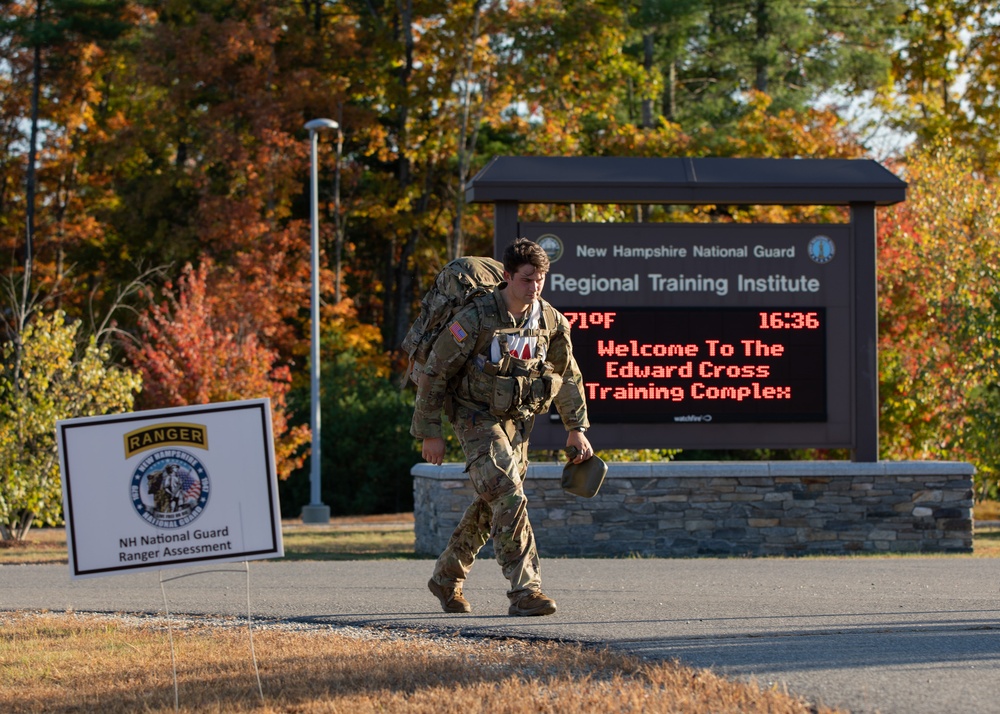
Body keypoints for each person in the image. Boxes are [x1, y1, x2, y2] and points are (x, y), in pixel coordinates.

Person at [411, 238, 594, 617]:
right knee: (507, 493)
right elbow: (436, 372)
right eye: (527, 279)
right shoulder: (475, 318)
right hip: (474, 415)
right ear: (508, 277)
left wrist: (576, 427)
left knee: (490, 502)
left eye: (541, 279)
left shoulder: (550, 321)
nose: (535, 287)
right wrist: (430, 431)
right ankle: (526, 590)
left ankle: (446, 577)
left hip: (518, 421)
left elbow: (568, 374)